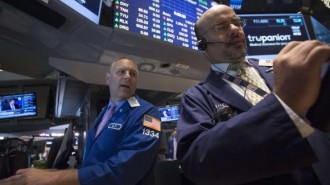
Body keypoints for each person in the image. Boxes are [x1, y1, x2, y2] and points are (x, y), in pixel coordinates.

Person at [177, 4, 330, 185]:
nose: (235, 29)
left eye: (237, 22)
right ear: (203, 43)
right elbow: (197, 161)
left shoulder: (280, 68)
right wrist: (284, 105)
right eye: (221, 26)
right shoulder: (197, 96)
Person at [0, 57, 162, 185]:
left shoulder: (149, 114)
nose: (127, 76)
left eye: (132, 74)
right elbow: (91, 164)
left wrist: (51, 179)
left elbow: (127, 169)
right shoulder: (104, 113)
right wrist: (49, 173)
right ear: (108, 78)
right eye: (121, 72)